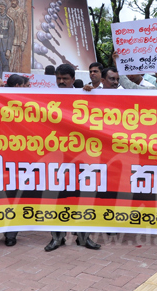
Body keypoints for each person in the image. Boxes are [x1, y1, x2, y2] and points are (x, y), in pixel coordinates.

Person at [44, 64, 100, 252]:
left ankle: (83, 237)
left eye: (65, 78)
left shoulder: (84, 95)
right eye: (58, 78)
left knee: (82, 197)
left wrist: (91, 95)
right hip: (56, 158)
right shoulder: (46, 97)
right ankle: (57, 238)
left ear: (73, 79)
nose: (61, 82)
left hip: (81, 158)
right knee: (57, 198)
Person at [7, 0, 27, 72]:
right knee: (10, 62)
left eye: (14, 0)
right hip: (11, 41)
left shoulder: (22, 11)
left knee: (18, 63)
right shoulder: (9, 11)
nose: (12, 2)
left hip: (19, 41)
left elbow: (25, 27)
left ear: (17, 1)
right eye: (11, 1)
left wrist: (23, 41)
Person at [0, 1, 14, 73]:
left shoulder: (9, 20)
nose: (0, 7)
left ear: (5, 7)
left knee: (5, 64)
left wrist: (8, 49)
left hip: (4, 45)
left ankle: (5, 80)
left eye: (2, 6)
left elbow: (10, 36)